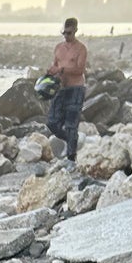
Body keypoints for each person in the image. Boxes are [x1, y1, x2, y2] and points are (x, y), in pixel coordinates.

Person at [46, 15, 88, 162]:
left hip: (76, 89)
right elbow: (56, 67)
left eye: (69, 33)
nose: (66, 36)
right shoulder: (58, 48)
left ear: (75, 30)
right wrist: (51, 72)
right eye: (64, 33)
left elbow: (79, 70)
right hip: (62, 89)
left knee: (71, 125)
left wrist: (61, 70)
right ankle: (72, 140)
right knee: (51, 122)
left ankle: (71, 158)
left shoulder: (81, 49)